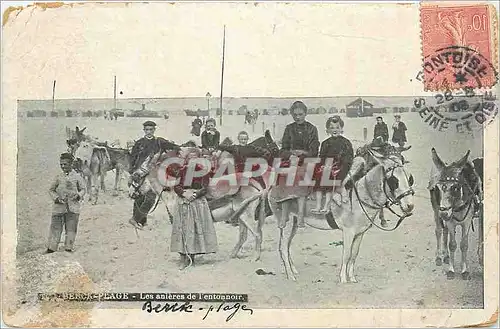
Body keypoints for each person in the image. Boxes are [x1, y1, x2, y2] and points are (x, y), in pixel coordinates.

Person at [167, 149, 218, 270]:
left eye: (195, 158)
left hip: (197, 202)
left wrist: (195, 195)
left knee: (195, 228)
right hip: (183, 200)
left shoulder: (203, 172)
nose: (192, 160)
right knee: (183, 228)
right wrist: (184, 194)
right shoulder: (182, 171)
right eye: (190, 158)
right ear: (187, 159)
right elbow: (176, 186)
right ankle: (182, 256)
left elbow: (205, 188)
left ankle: (192, 256)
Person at [128, 121, 180, 229]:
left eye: (151, 130)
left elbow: (174, 147)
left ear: (154, 130)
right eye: (147, 129)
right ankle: (140, 221)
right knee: (139, 197)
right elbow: (132, 159)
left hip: (154, 174)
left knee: (151, 196)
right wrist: (133, 173)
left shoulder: (159, 142)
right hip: (140, 173)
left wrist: (175, 149)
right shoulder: (139, 143)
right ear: (144, 130)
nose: (149, 132)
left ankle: (136, 219)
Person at [278, 100, 320, 228]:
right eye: (295, 114)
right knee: (284, 178)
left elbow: (314, 150)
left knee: (302, 177)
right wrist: (290, 155)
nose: (297, 117)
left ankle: (301, 214)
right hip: (291, 160)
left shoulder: (312, 129)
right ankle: (284, 215)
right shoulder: (289, 129)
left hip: (306, 160)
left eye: (300, 114)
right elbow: (283, 149)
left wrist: (301, 154)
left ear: (305, 114)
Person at [312, 116, 354, 213]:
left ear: (341, 129)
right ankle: (318, 206)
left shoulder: (346, 143)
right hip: (327, 167)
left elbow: (348, 159)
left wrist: (339, 168)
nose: (334, 130)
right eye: (331, 128)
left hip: (341, 168)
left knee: (329, 180)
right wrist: (322, 166)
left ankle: (327, 206)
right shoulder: (325, 143)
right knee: (319, 178)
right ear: (328, 130)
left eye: (337, 127)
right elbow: (322, 157)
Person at [46, 153, 86, 253]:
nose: (63, 166)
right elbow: (51, 190)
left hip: (73, 207)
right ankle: (52, 247)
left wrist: (79, 195)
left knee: (71, 229)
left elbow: (83, 189)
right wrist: (56, 199)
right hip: (59, 208)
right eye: (61, 164)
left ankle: (68, 247)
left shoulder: (77, 177)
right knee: (55, 228)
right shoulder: (58, 177)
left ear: (71, 164)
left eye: (65, 164)